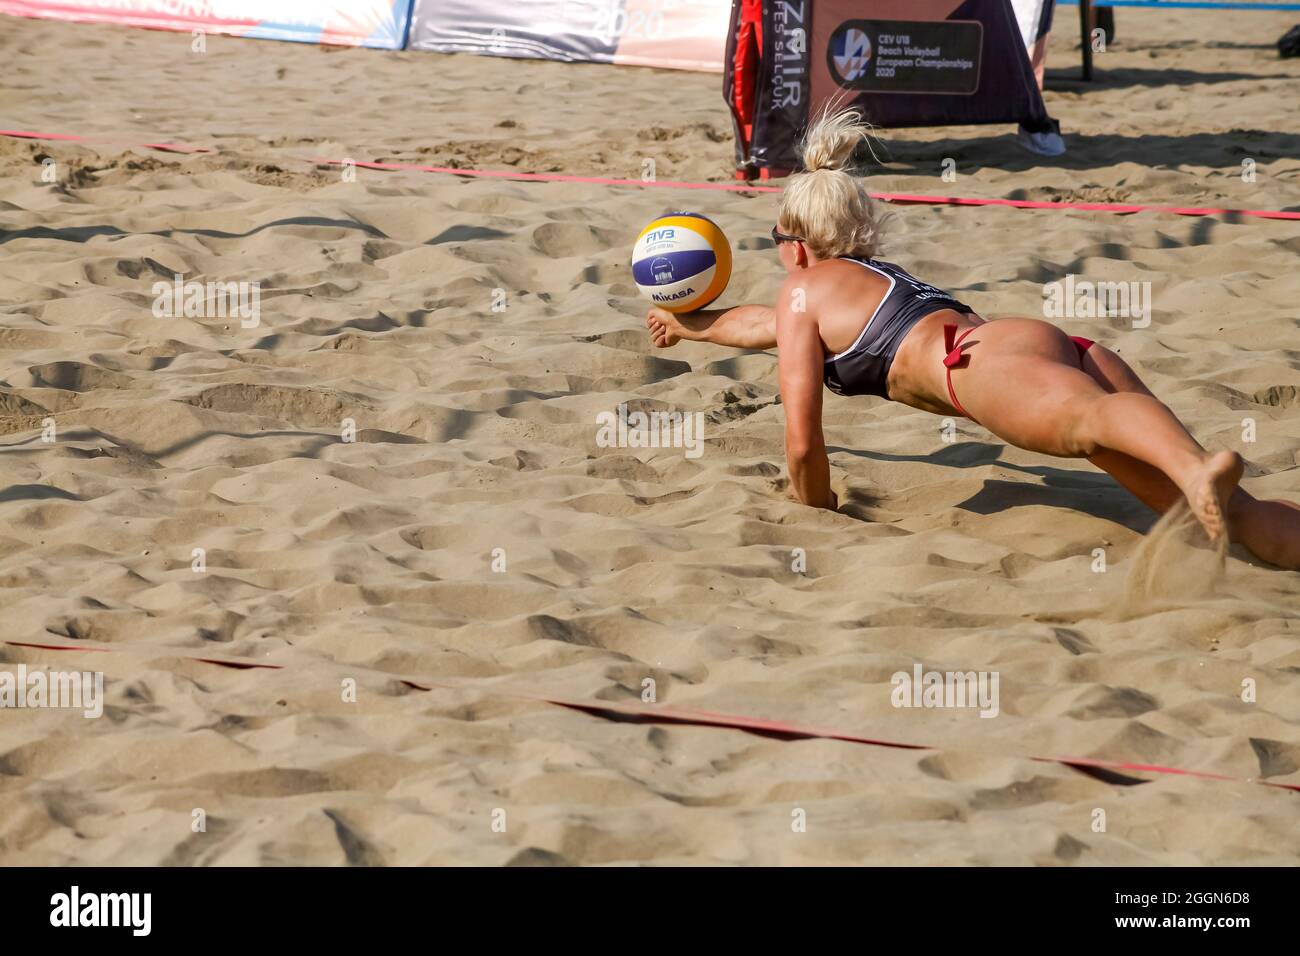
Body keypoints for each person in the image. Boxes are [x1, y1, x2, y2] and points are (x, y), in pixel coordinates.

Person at [645, 110, 1300, 570]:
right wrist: (689, 324)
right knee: (1233, 515)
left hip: (981, 369)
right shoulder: (864, 280)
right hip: (1040, 343)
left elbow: (801, 441)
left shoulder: (802, 293)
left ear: (796, 246)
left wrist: (814, 507)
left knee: (1095, 422)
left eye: (774, 242)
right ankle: (1212, 484)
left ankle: (1194, 465)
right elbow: (760, 327)